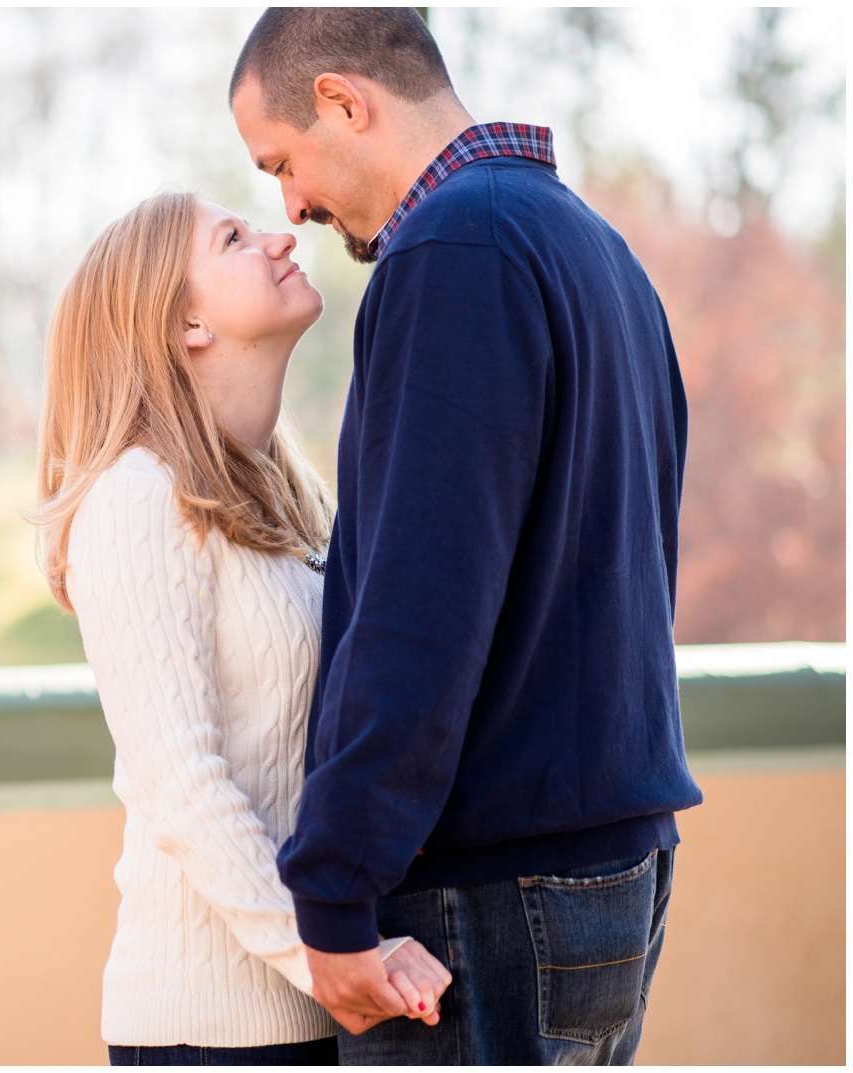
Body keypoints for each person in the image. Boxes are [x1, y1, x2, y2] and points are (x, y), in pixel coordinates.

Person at [227, 8, 703, 1065]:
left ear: (343, 102)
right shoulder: (591, 246)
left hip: (490, 891)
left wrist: (336, 885)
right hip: (604, 861)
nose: (291, 205)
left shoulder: (451, 253)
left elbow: (419, 605)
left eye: (282, 161)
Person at [33, 191, 451, 1067]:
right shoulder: (136, 498)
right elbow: (184, 783)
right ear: (184, 320)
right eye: (233, 237)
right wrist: (330, 956)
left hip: (314, 1015)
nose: (278, 233)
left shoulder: (289, 493)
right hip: (211, 1032)